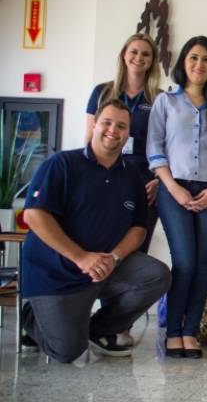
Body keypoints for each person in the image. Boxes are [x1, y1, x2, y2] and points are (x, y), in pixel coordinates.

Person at [21, 100, 171, 363]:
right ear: (94, 125)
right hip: (56, 274)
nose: (113, 130)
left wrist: (114, 258)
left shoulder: (132, 176)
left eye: (121, 126)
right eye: (107, 123)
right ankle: (32, 317)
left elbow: (138, 229)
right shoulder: (62, 164)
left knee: (156, 275)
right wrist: (81, 258)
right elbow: (34, 215)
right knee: (67, 352)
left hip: (104, 268)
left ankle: (99, 330)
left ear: (128, 133)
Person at [147, 35, 207, 359]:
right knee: (184, 261)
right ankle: (173, 332)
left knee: (201, 264)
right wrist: (174, 188)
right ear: (184, 62)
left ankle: (190, 332)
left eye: (206, 59)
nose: (200, 64)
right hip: (174, 190)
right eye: (194, 58)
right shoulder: (166, 102)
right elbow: (154, 149)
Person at [84, 33, 162, 347]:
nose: (139, 58)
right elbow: (88, 138)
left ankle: (119, 324)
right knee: (107, 248)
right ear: (124, 55)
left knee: (135, 253)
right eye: (134, 52)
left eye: (146, 54)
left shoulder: (158, 98)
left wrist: (159, 179)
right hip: (107, 179)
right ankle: (100, 320)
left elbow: (166, 145)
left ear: (152, 61)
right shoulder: (102, 92)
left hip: (144, 184)